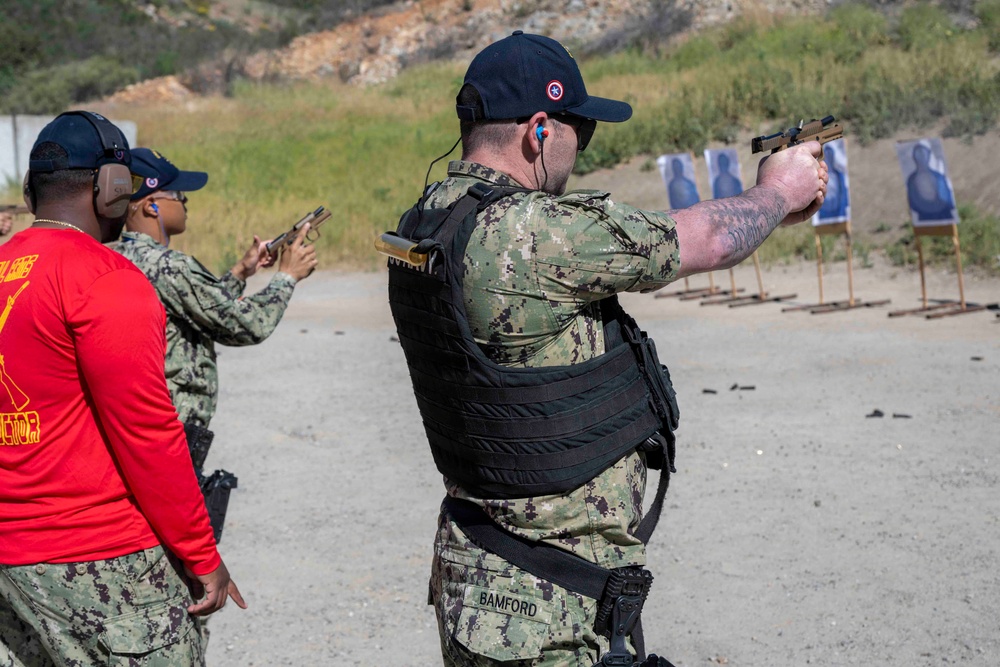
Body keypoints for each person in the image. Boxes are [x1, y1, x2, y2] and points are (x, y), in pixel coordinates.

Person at [384, 32, 827, 666]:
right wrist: (779, 192)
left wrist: (770, 209)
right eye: (580, 130)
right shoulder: (531, 231)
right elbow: (705, 240)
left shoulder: (428, 221)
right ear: (539, 130)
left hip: (478, 574)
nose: (580, 149)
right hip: (550, 603)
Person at [0, 111, 245, 666]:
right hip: (97, 551)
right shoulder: (104, 278)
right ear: (111, 189)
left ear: (32, 188)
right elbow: (148, 434)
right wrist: (201, 554)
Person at [116, 148, 317, 441]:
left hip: (143, 421)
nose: (185, 202)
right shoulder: (170, 266)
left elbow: (197, 308)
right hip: (174, 428)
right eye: (178, 195)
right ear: (151, 206)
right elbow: (245, 325)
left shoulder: (118, 255)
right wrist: (287, 276)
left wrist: (240, 271)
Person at [905, 143, 955, 222]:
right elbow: (913, 203)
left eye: (923, 155)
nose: (922, 158)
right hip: (924, 217)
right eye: (919, 155)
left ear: (928, 156)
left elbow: (947, 199)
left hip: (943, 215)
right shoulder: (911, 179)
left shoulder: (938, 176)